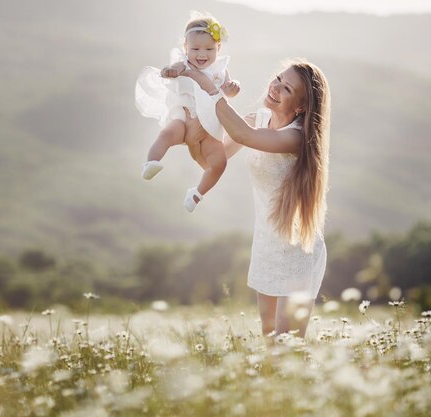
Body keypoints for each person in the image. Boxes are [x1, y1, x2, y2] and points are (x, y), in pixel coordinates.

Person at [182, 59, 331, 338]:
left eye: (286, 89)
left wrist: (208, 87)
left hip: (298, 250)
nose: (275, 87)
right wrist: (192, 135)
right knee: (268, 337)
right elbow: (213, 161)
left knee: (287, 345)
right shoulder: (258, 119)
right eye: (278, 78)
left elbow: (243, 135)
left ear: (300, 106)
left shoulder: (296, 138)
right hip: (266, 243)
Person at [134, 12, 241, 212]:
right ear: (185, 48)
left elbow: (226, 90)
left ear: (218, 47)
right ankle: (151, 162)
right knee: (168, 133)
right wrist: (170, 71)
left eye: (209, 49)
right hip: (185, 117)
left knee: (219, 163)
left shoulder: (221, 69)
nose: (202, 54)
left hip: (210, 123)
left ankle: (197, 193)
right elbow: (172, 69)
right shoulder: (184, 63)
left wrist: (232, 89)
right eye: (195, 48)